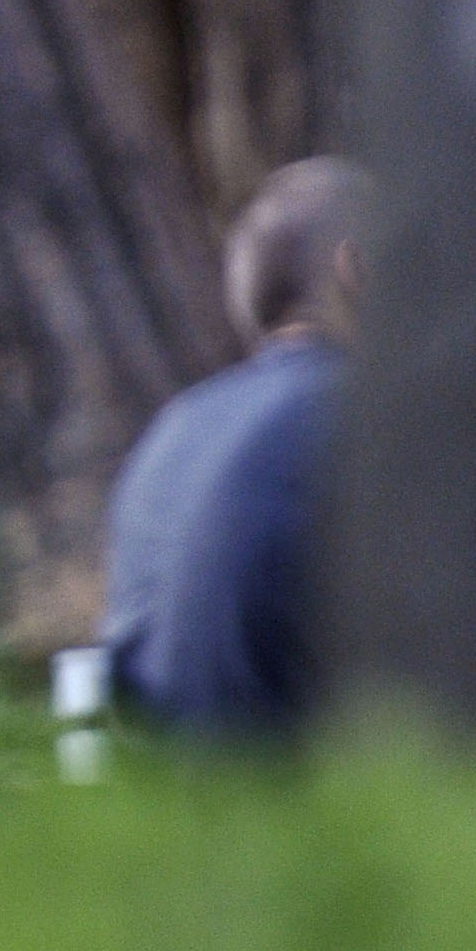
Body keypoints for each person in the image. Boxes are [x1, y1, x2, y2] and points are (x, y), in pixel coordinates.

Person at [100, 157, 368, 739]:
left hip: (160, 814)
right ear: (355, 268)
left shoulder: (174, 429)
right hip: (310, 814)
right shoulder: (368, 421)